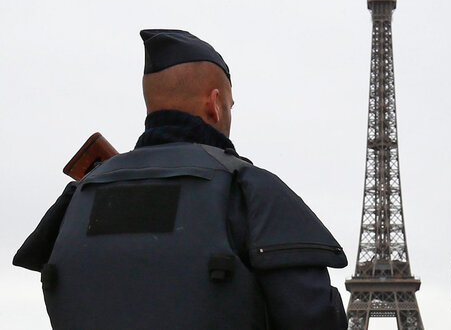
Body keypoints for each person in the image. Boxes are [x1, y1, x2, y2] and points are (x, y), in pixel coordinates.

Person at [14, 29, 349, 329]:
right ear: (215, 104)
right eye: (230, 104)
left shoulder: (77, 198)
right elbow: (315, 317)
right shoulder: (249, 190)